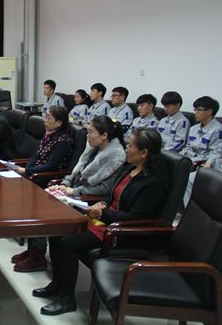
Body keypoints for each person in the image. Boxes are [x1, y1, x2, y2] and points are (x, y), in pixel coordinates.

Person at [35, 128, 167, 315]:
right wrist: (102, 204)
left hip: (119, 232)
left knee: (68, 242)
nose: (126, 148)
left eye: (130, 145)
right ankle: (57, 284)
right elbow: (111, 196)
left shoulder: (153, 183)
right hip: (104, 221)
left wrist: (103, 214)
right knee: (58, 230)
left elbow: (136, 217)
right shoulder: (129, 169)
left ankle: (67, 299)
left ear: (144, 153)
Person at [10, 106, 74, 272]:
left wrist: (28, 171)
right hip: (37, 177)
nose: (45, 121)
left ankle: (37, 256)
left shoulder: (63, 141)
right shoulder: (49, 136)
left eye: (49, 118)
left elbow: (51, 166)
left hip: (48, 181)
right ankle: (32, 250)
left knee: (35, 212)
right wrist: (27, 169)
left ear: (59, 122)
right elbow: (35, 157)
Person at [49, 115, 126, 198]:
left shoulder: (115, 157)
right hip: (72, 193)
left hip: (86, 199)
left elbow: (104, 189)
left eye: (90, 132)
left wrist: (75, 191)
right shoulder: (92, 149)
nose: (87, 135)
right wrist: (65, 184)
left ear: (104, 135)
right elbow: (76, 174)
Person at [180, 96, 222, 205]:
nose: (195, 113)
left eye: (198, 110)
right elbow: (188, 147)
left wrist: (208, 164)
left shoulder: (218, 130)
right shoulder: (194, 128)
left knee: (188, 179)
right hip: (191, 160)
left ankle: (189, 210)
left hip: (208, 164)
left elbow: (217, 152)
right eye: (195, 109)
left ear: (209, 112)